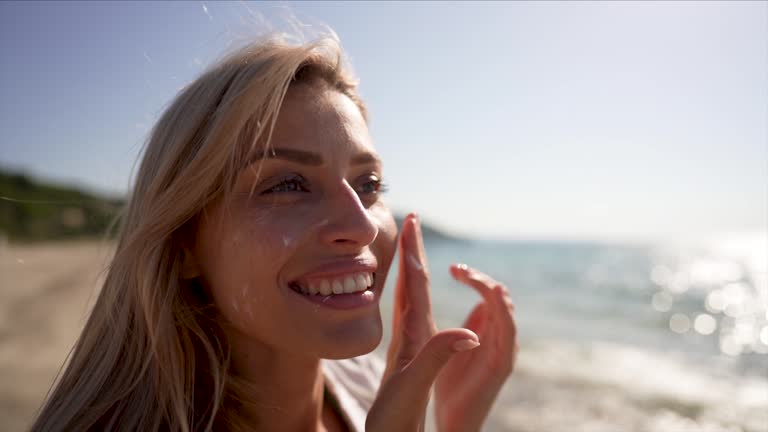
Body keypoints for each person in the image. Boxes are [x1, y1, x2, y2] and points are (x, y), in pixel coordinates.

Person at [31, 32, 517, 432]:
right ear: (182, 244)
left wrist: (454, 422)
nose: (361, 226)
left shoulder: (369, 385)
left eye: (368, 184)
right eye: (288, 184)